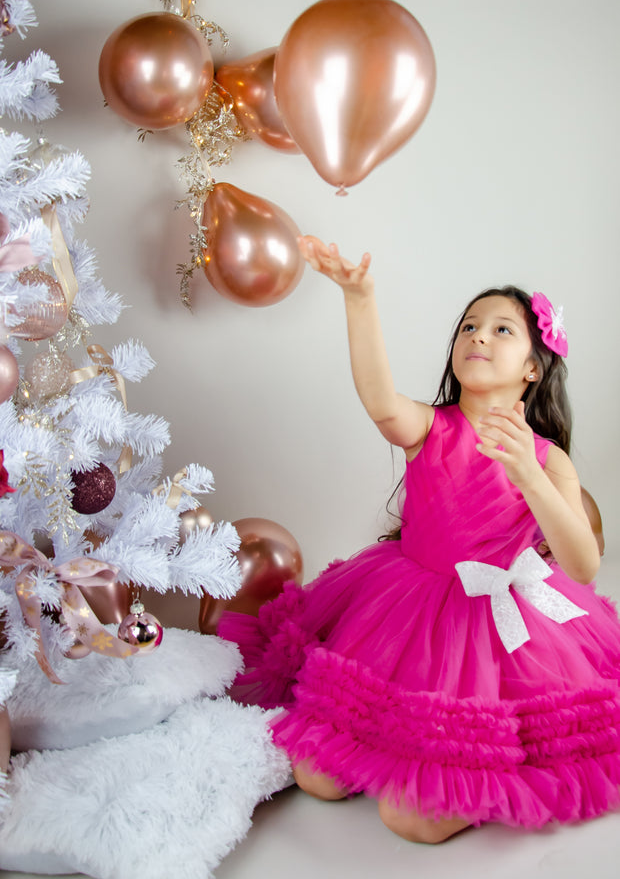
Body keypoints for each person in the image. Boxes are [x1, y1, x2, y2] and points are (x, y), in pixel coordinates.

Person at [218, 236, 620, 843]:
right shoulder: (431, 428)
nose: (478, 336)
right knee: (316, 778)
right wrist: (360, 296)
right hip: (406, 608)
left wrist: (532, 478)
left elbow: (582, 567)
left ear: (533, 367)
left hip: (493, 627)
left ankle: (475, 771)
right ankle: (393, 746)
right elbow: (379, 398)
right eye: (468, 326)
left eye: (502, 330)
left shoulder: (548, 458)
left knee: (410, 820)